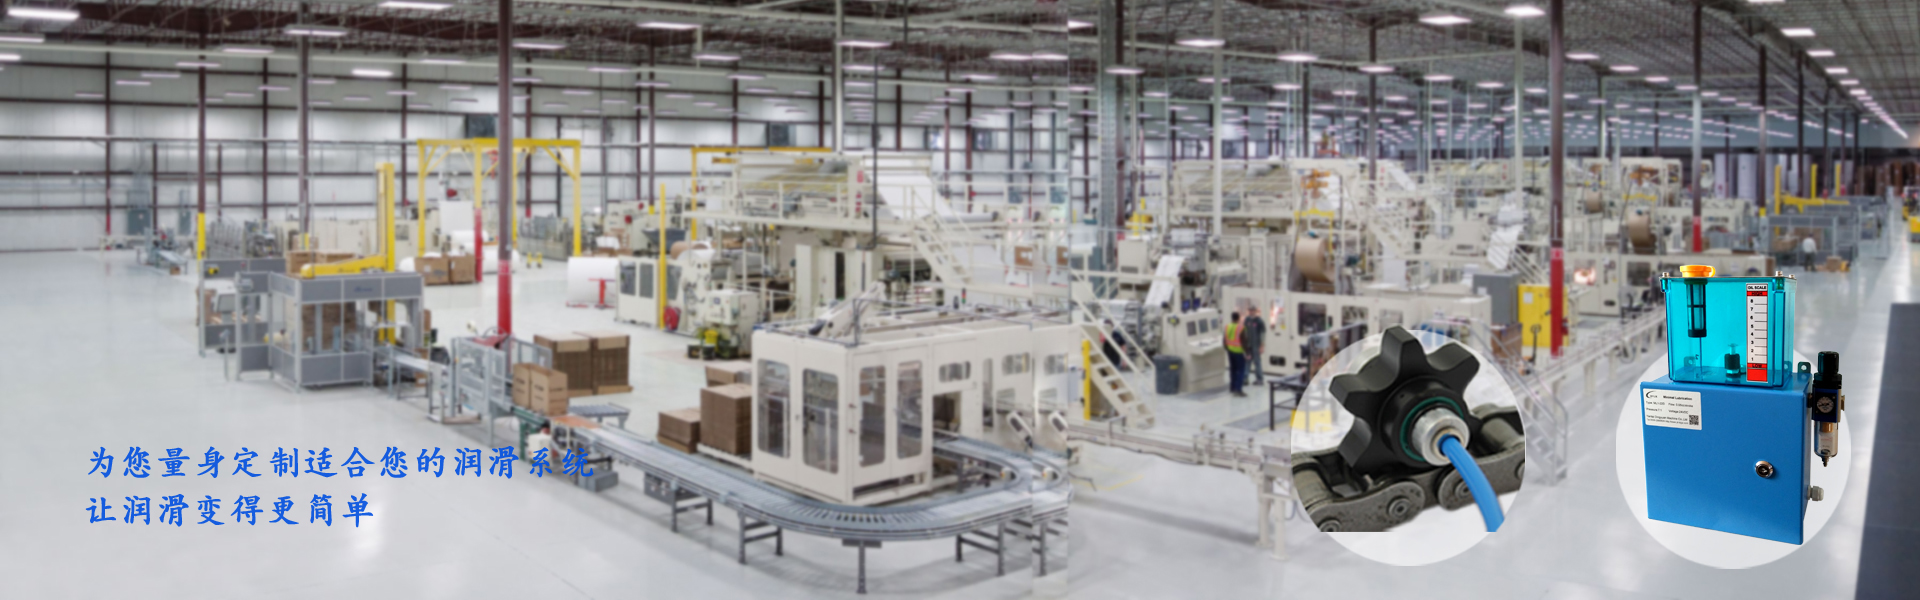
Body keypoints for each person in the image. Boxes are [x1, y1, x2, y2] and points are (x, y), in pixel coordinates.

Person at [1226, 312, 1247, 397]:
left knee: (1233, 370)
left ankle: (1232, 388)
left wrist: (1228, 349)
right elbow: (1244, 341)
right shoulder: (1241, 328)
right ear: (1238, 318)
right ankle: (1238, 390)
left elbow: (1224, 340)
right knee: (1241, 370)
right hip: (1239, 352)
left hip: (1230, 352)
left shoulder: (1227, 326)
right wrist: (1247, 352)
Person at [1243, 311, 1267, 385]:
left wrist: (1262, 345)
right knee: (1247, 361)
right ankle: (1245, 379)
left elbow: (1262, 333)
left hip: (1256, 345)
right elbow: (1245, 332)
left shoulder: (1259, 321)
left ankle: (1259, 379)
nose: (1251, 312)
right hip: (1248, 345)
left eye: (1253, 310)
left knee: (1257, 362)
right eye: (1250, 310)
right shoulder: (1247, 320)